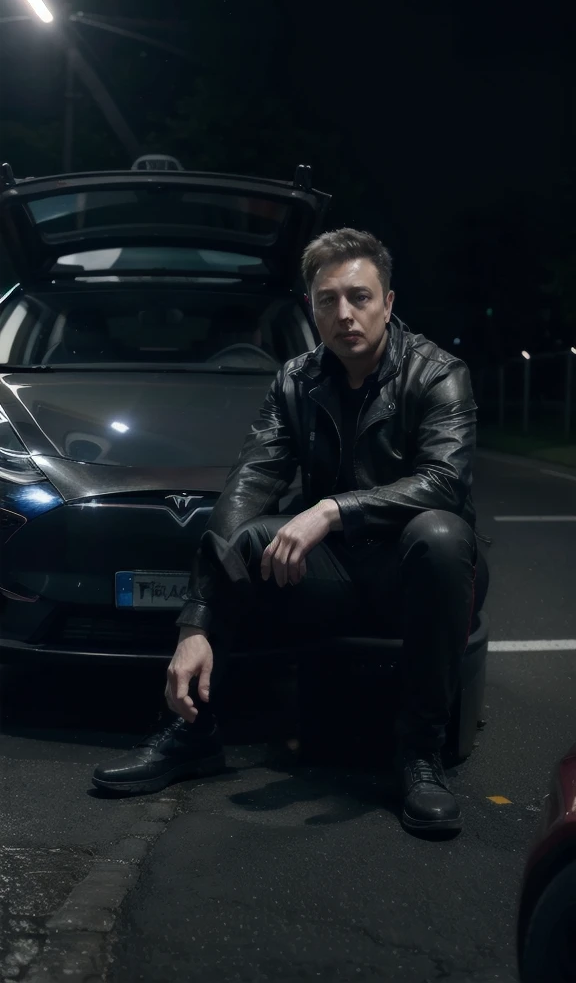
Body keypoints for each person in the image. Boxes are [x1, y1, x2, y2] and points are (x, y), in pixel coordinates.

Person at [93, 229, 488, 835]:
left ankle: (419, 753)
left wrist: (331, 509)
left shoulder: (438, 374)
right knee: (246, 537)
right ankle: (193, 732)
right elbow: (249, 484)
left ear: (388, 301)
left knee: (440, 534)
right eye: (328, 300)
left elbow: (444, 482)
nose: (344, 314)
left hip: (419, 574)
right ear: (311, 307)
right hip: (336, 575)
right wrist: (196, 621)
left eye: (360, 297)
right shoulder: (296, 380)